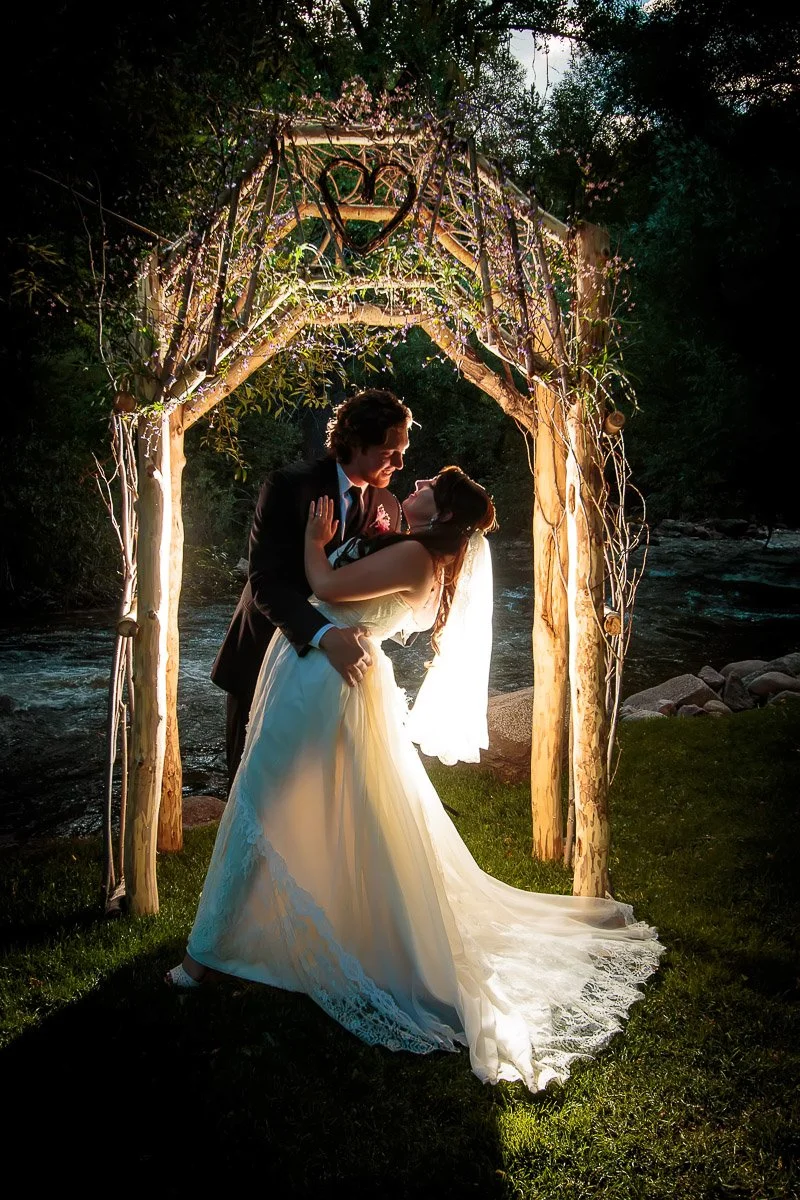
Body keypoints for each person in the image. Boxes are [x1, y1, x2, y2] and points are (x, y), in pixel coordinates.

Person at [168, 468, 663, 1091]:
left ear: (438, 510)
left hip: (323, 679)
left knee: (261, 799)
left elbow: (321, 583)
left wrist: (317, 540)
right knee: (318, 805)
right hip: (324, 672)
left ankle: (204, 957)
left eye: (427, 482)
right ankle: (253, 939)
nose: (414, 477)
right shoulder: (415, 549)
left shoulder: (412, 554)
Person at [211, 388, 411, 787]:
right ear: (355, 443)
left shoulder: (387, 505)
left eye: (404, 450)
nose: (400, 463)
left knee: (318, 793)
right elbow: (264, 581)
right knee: (252, 788)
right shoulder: (289, 487)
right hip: (264, 656)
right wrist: (324, 635)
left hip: (331, 679)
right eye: (390, 451)